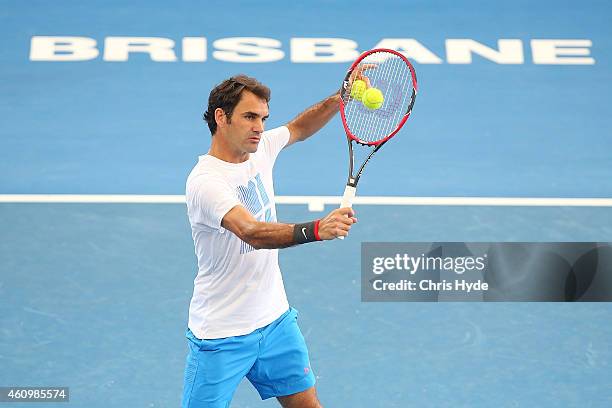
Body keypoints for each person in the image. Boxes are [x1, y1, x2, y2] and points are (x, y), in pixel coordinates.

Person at [182, 74, 357, 408]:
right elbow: (250, 231)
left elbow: (299, 128)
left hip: (275, 320)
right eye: (250, 117)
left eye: (263, 119)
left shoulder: (259, 149)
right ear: (221, 117)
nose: (259, 128)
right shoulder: (206, 182)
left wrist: (339, 99)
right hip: (222, 334)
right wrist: (317, 229)